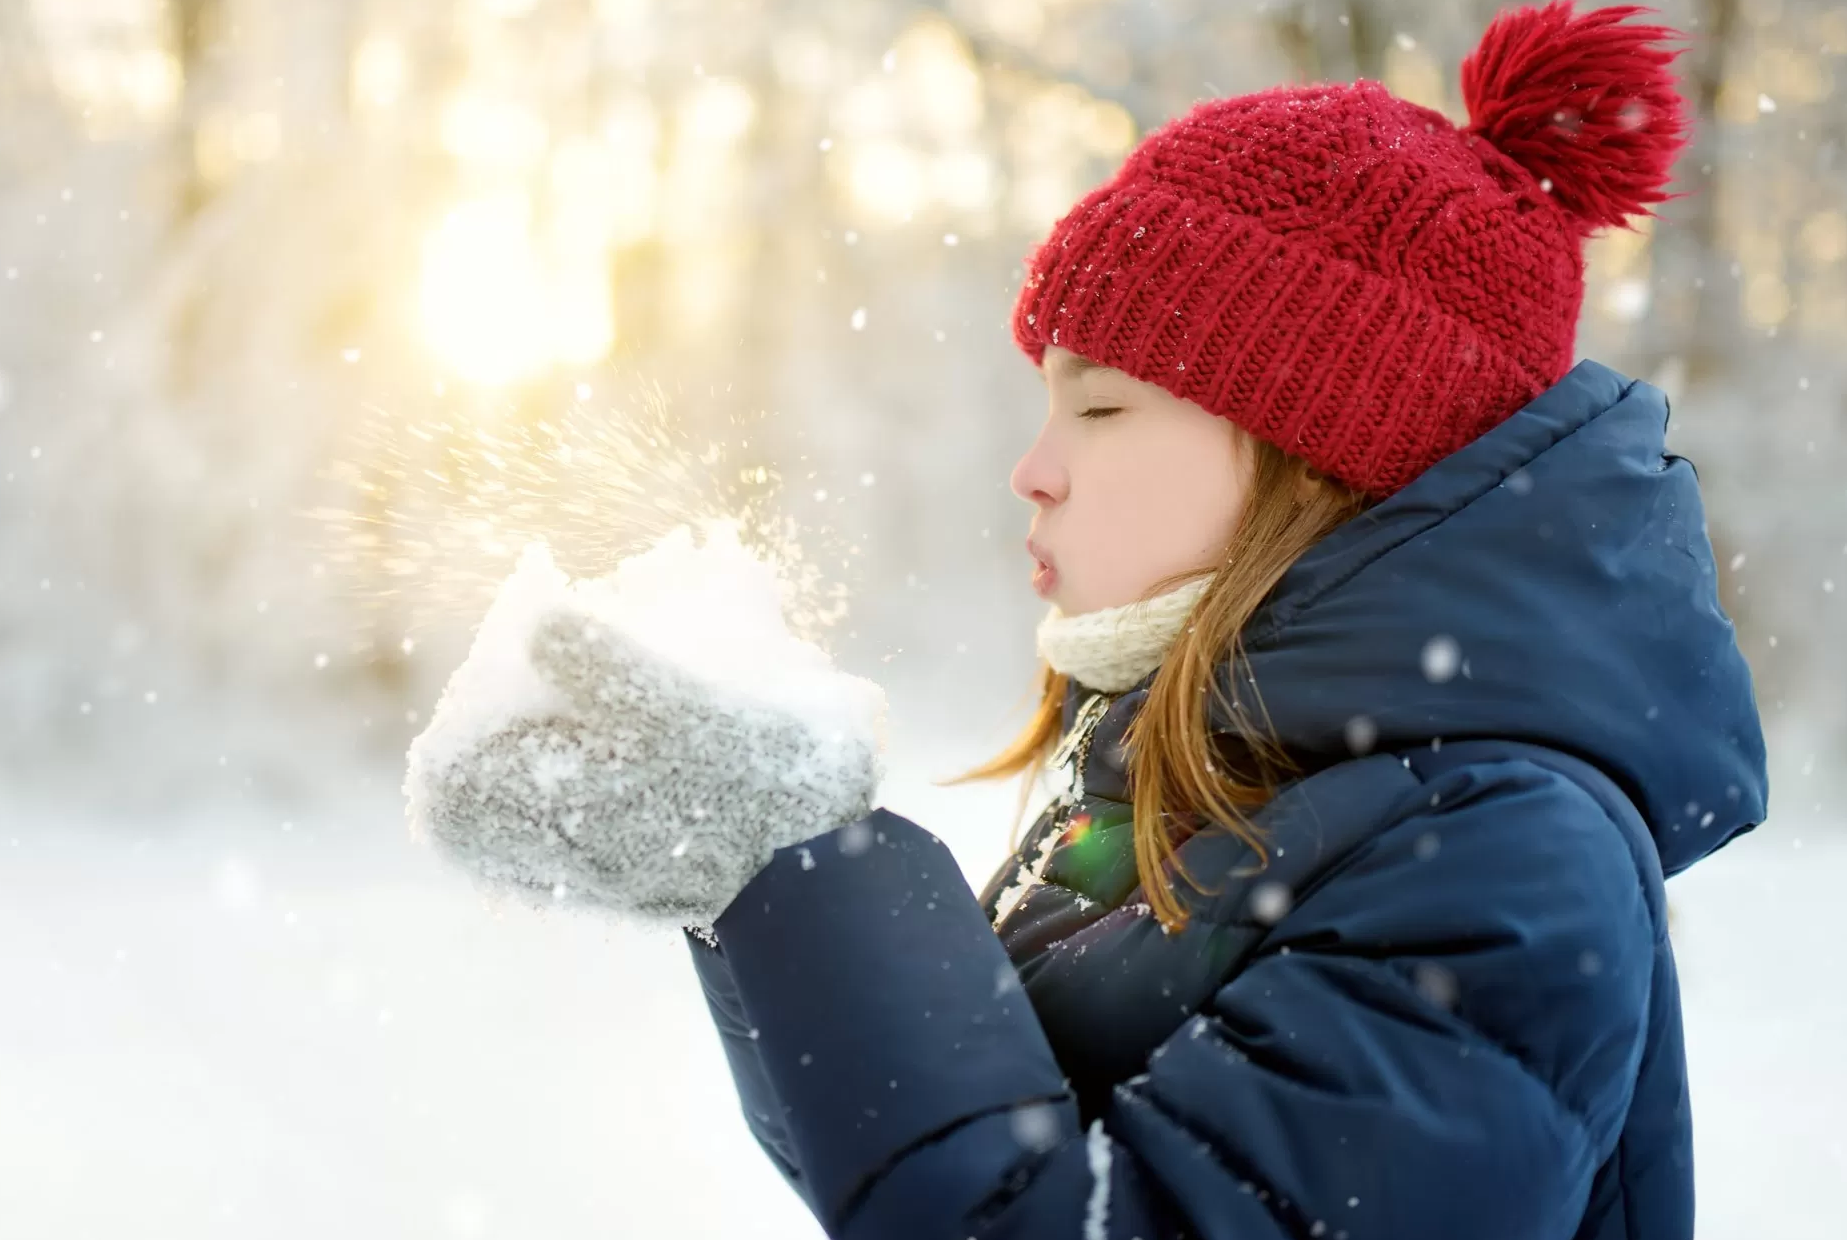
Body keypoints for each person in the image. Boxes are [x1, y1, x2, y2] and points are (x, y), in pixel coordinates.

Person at [412, 3, 1768, 1237]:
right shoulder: (1232, 784)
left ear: (1320, 445)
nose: (1034, 465)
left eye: (1102, 405)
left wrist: (804, 870)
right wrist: (754, 895)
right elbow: (953, 1173)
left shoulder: (1495, 856)